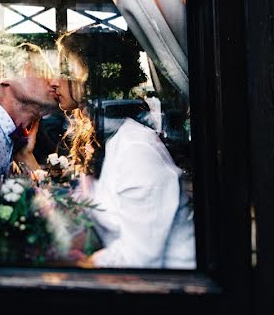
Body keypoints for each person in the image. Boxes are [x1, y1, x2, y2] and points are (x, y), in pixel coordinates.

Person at [50, 32, 195, 269]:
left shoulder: (137, 150)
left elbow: (140, 258)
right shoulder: (102, 137)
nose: (54, 82)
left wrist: (71, 266)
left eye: (66, 71)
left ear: (92, 78)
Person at [0, 46, 60, 206]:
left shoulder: (18, 144)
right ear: (3, 75)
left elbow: (52, 211)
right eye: (42, 71)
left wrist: (26, 156)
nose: (54, 82)